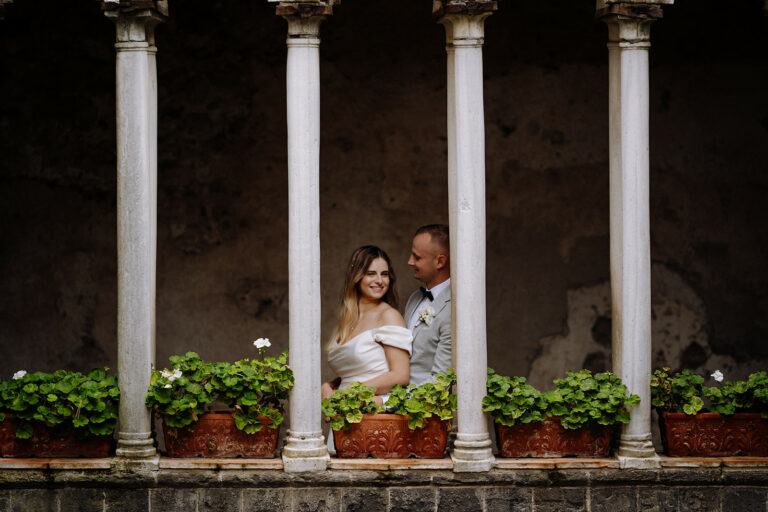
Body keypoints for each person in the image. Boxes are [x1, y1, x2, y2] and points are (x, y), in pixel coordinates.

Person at [322, 246, 412, 406]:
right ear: (356, 277)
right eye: (371, 273)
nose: (379, 280)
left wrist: (349, 393)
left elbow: (400, 375)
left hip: (373, 411)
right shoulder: (348, 318)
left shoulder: (388, 315)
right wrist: (330, 386)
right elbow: (357, 371)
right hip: (345, 411)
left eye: (384, 274)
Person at [404, 224, 451, 386]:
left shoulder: (455, 308)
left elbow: (440, 381)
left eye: (417, 257)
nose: (410, 262)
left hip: (425, 408)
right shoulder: (414, 298)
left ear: (440, 261)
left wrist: (387, 403)